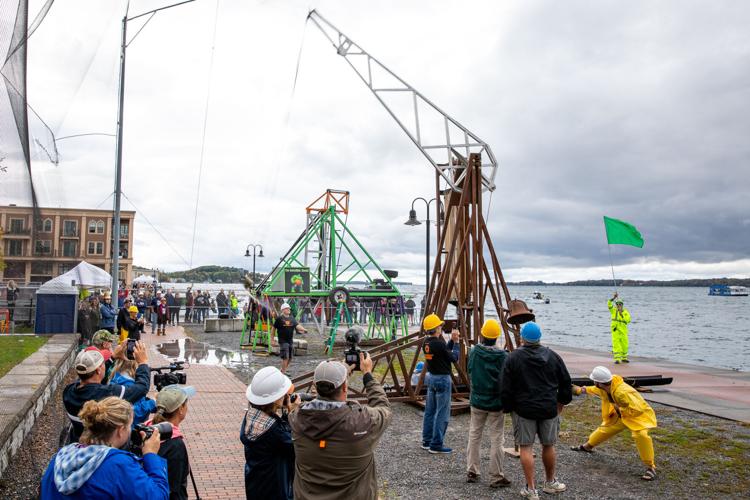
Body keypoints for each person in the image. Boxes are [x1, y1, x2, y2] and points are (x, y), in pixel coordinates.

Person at [289, 354, 391, 499]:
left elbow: (303, 409)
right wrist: (367, 374)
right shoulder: (363, 421)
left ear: (314, 386)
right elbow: (384, 408)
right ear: (345, 387)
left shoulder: (296, 418)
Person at [41, 396, 168, 499]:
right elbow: (158, 496)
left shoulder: (62, 456)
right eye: (130, 426)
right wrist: (151, 455)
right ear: (120, 430)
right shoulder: (118, 465)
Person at [501, 322, 571, 499]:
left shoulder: (513, 357)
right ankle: (550, 482)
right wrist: (562, 402)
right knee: (548, 445)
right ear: (539, 337)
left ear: (522, 338)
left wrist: (508, 407)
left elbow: (505, 386)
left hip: (523, 409)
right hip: (548, 408)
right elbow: (565, 382)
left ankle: (531, 489)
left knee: (526, 447)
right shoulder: (553, 356)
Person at [571, 366, 658, 481]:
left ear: (598, 382)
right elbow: (592, 389)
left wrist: (619, 409)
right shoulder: (604, 388)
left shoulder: (623, 392)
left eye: (594, 381)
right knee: (605, 429)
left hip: (638, 417)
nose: (594, 383)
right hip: (622, 416)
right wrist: (579, 390)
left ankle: (650, 467)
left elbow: (638, 409)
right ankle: (587, 447)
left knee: (641, 436)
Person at [63, 341, 151, 443]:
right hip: (100, 447)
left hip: (77, 442)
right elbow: (142, 388)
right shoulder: (107, 395)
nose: (105, 365)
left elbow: (95, 381)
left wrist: (113, 357)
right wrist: (143, 363)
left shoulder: (68, 391)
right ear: (99, 370)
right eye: (103, 364)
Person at [466, 319, 510, 488]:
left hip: (477, 400)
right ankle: (496, 476)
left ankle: (472, 470)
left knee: (474, 435)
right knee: (497, 439)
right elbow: (506, 379)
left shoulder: (474, 352)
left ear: (482, 334)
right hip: (495, 403)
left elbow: (469, 370)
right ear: (497, 337)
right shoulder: (503, 356)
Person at [241, 366, 296, 500]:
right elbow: (294, 446)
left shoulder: (250, 417)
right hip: (276, 490)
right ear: (276, 398)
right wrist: (292, 414)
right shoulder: (276, 432)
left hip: (255, 486)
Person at [147, 385, 196, 500]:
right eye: (186, 404)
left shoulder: (147, 429)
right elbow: (174, 489)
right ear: (180, 410)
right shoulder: (175, 445)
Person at [421, 313, 459, 454]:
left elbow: (444, 353)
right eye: (440, 326)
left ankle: (427, 440)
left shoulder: (426, 342)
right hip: (442, 379)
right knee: (442, 412)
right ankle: (436, 444)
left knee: (430, 411)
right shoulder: (439, 344)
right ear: (436, 329)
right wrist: (457, 344)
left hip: (431, 377)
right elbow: (453, 357)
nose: (441, 328)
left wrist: (451, 343)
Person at [110, 358, 157, 426]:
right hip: (132, 430)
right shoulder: (129, 384)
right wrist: (153, 402)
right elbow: (134, 413)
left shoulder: (117, 376)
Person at [272, 303, 307, 374]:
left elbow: (297, 326)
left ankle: (282, 370)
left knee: (290, 358)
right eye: (287, 308)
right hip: (283, 341)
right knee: (286, 357)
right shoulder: (279, 319)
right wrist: (272, 340)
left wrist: (304, 329)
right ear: (282, 310)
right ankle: (283, 373)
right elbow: (273, 329)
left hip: (290, 341)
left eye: (289, 308)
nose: (288, 309)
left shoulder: (291, 318)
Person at [608, 292, 631, 364]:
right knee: (616, 345)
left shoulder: (625, 312)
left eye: (620, 304)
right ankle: (617, 359)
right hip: (616, 331)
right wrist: (613, 298)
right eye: (617, 304)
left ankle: (624, 358)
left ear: (622, 305)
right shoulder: (613, 311)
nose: (619, 306)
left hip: (623, 331)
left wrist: (621, 314)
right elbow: (609, 304)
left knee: (625, 344)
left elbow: (628, 320)